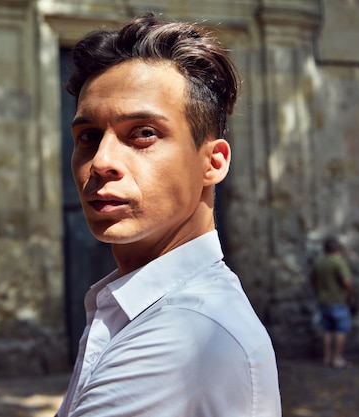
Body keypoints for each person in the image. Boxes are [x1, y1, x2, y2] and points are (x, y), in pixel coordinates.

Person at [56, 13, 281, 417]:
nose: (101, 161)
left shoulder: (184, 336)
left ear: (212, 162)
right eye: (88, 137)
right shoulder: (137, 308)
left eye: (143, 133)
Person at [309, 236, 353, 368]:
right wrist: (350, 295)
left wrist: (318, 293)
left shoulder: (318, 262)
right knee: (340, 329)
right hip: (338, 300)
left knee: (327, 329)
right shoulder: (338, 262)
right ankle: (337, 358)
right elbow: (346, 282)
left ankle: (326, 357)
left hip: (323, 300)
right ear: (337, 249)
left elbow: (313, 282)